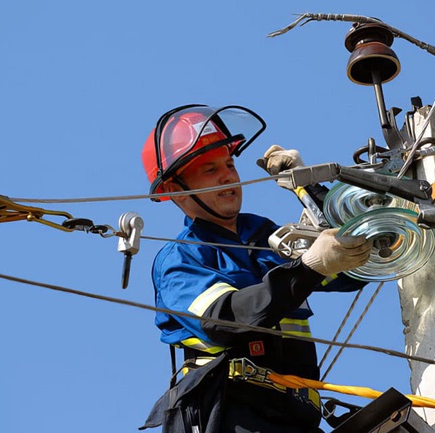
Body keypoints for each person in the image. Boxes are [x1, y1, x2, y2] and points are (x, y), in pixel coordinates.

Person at [139, 104, 372, 433]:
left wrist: (308, 188)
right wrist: (309, 267)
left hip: (295, 420)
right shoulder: (181, 259)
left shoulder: (263, 235)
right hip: (232, 417)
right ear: (178, 191)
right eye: (209, 169)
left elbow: (352, 266)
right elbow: (226, 320)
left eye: (229, 164)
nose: (227, 176)